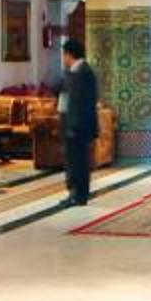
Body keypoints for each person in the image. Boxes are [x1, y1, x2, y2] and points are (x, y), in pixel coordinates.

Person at [59, 37, 100, 205]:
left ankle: (80, 195)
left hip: (79, 127)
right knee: (72, 161)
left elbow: (83, 103)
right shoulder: (73, 72)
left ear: (70, 54)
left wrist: (74, 126)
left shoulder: (84, 72)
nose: (63, 58)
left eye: (64, 55)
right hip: (71, 124)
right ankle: (73, 192)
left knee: (80, 162)